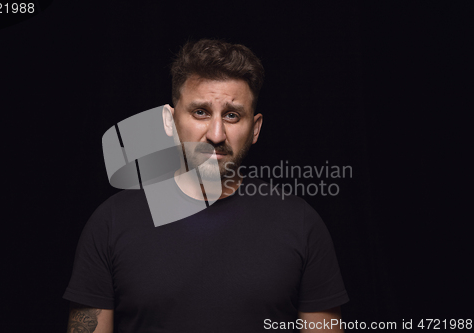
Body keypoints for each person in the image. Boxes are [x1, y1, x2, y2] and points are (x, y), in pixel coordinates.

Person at [63, 39, 349, 332]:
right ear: (170, 121)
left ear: (255, 128)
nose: (216, 134)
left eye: (232, 115)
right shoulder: (111, 223)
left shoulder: (301, 224)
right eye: (200, 112)